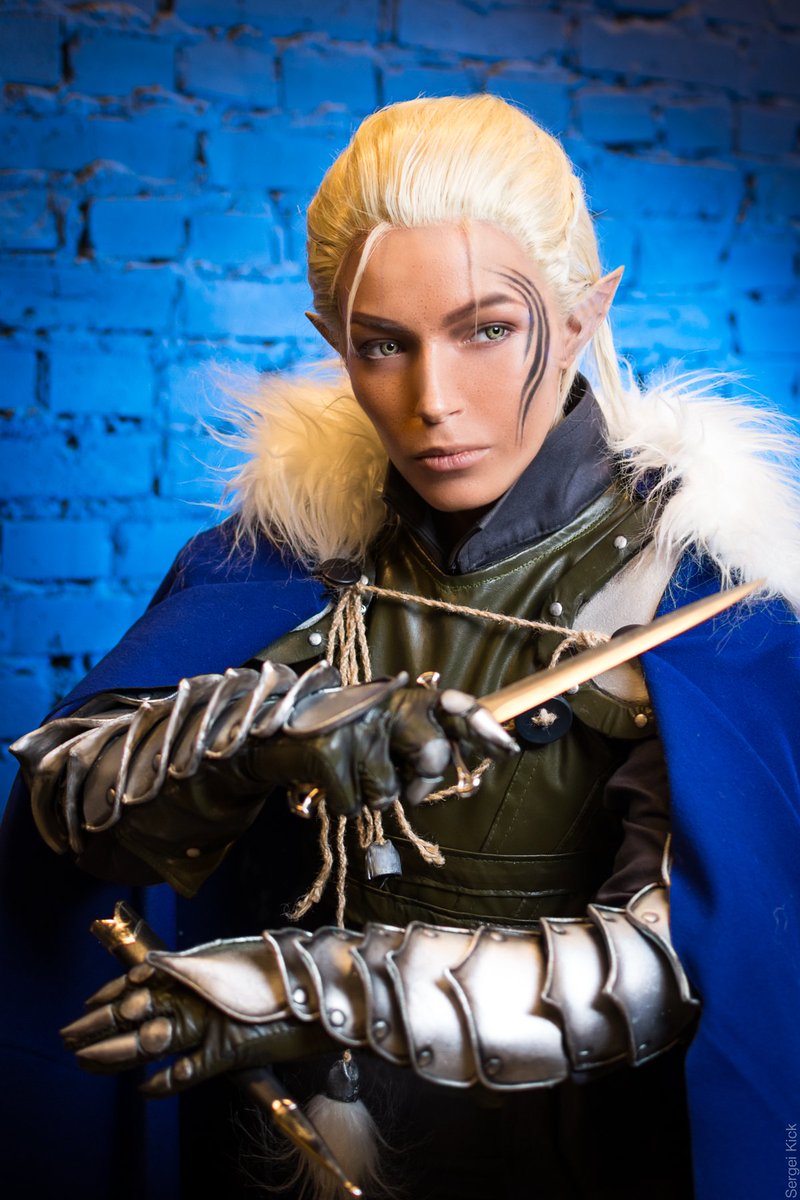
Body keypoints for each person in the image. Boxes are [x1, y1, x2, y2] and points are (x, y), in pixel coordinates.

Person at [4, 95, 800, 1200]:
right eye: (382, 345)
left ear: (580, 317)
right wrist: (263, 740)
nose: (433, 401)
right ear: (334, 337)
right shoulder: (280, 557)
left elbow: (676, 966)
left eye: (488, 330)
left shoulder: (697, 596)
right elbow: (71, 813)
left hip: (578, 1159)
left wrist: (311, 990)